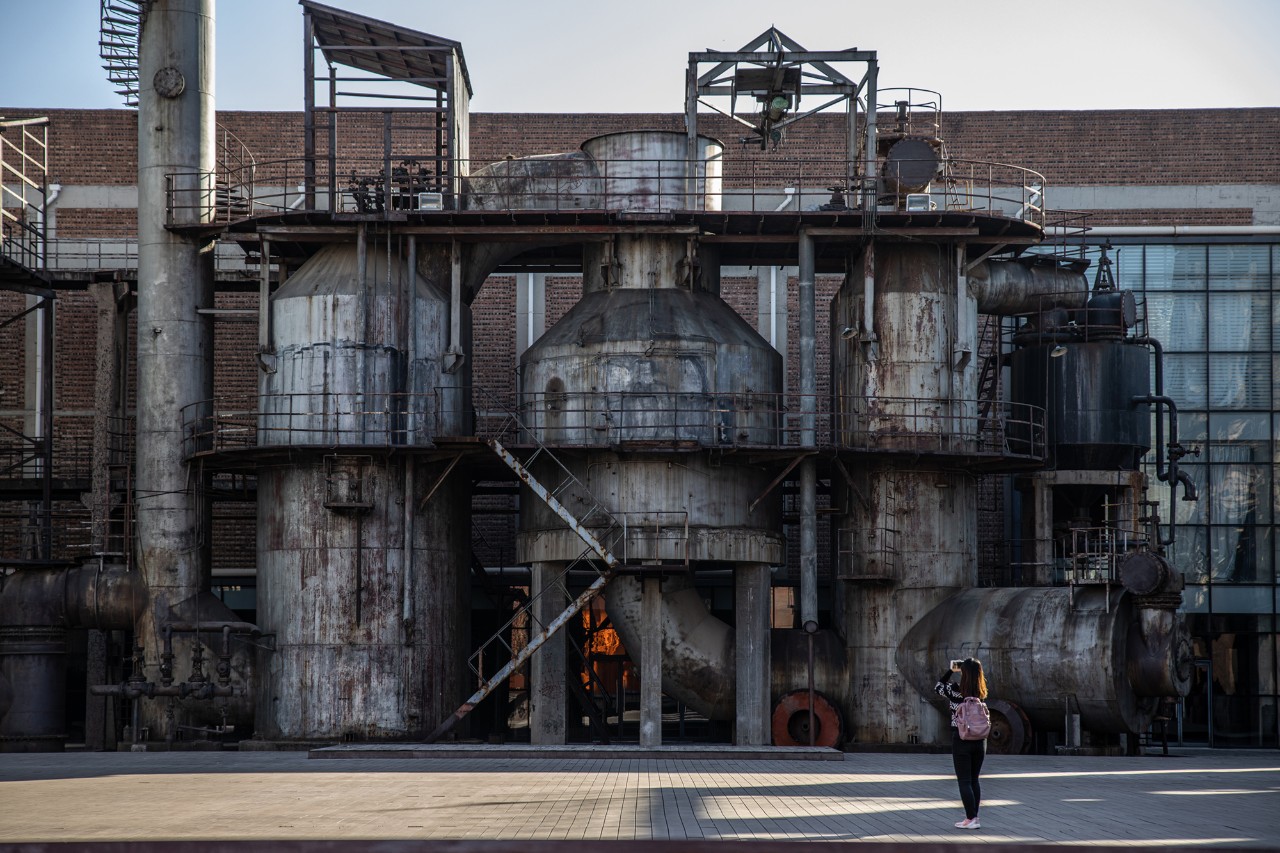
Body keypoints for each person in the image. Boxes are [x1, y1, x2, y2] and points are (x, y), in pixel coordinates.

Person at [935, 657, 988, 829]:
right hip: (980, 739)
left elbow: (938, 687)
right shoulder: (981, 692)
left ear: (963, 673)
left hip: (961, 738)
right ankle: (974, 818)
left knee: (964, 780)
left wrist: (951, 670)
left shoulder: (954, 690)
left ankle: (970, 818)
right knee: (974, 780)